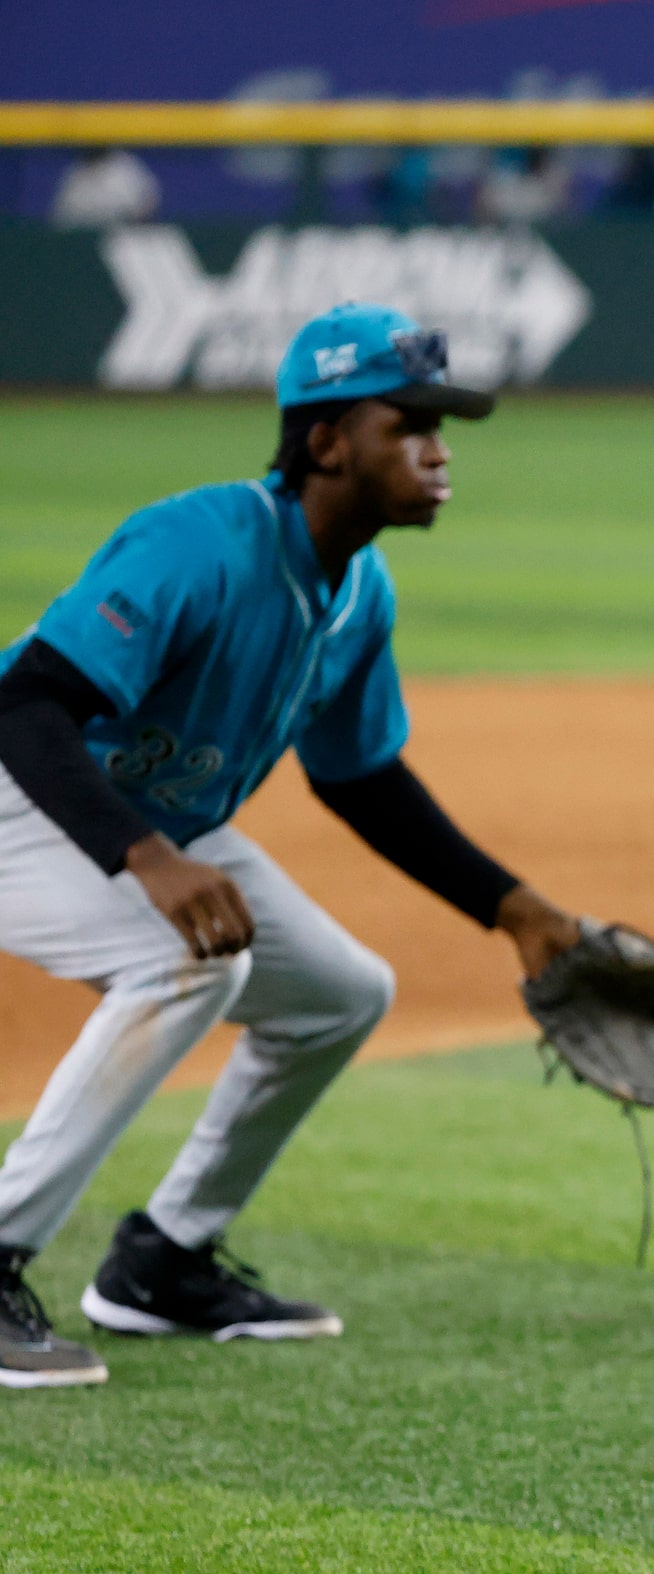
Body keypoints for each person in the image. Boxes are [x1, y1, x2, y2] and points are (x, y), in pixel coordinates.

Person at [0, 305, 589, 1390]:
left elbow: (360, 778)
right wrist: (147, 856)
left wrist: (515, 908)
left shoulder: (358, 592)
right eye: (406, 422)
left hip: (136, 818)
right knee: (182, 959)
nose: (437, 448)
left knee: (341, 992)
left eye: (441, 425)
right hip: (23, 796)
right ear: (325, 441)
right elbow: (28, 707)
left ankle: (160, 1263)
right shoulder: (200, 543)